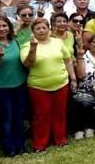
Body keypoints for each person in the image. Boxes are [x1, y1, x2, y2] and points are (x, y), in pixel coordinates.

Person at [21, 18, 76, 152]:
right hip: (38, 86)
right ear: (33, 32)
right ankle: (40, 143)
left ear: (49, 29)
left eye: (44, 28)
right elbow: (28, 63)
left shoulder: (58, 42)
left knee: (60, 113)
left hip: (61, 83)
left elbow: (68, 60)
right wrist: (33, 48)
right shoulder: (26, 46)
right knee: (42, 114)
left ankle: (60, 139)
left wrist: (73, 78)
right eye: (38, 28)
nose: (41, 30)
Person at [0, 15, 27, 156]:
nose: (1, 29)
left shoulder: (15, 41)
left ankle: (20, 146)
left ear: (9, 27)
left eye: (4, 26)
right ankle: (9, 148)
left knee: (18, 116)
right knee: (6, 117)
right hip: (1, 88)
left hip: (19, 84)